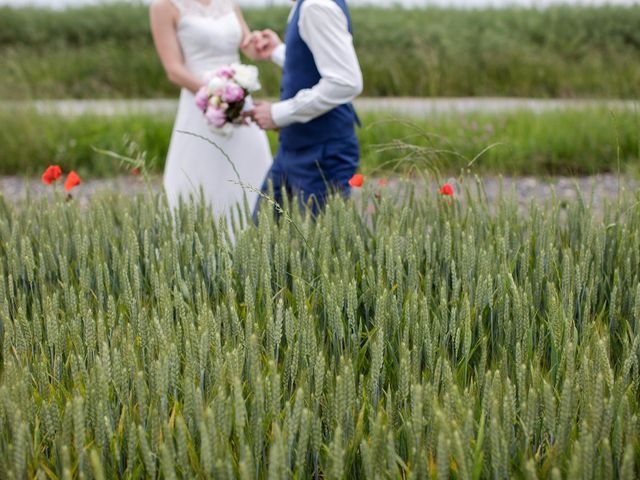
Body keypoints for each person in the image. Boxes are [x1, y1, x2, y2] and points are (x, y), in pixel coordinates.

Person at [150, 0, 272, 221]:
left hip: (239, 101)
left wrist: (259, 43)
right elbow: (173, 70)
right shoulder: (164, 6)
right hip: (201, 104)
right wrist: (217, 95)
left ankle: (257, 240)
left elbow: (249, 48)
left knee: (252, 171)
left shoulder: (229, 3)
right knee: (201, 178)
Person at [249, 0, 363, 215]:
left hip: (322, 153)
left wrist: (277, 113)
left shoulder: (315, 6)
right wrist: (277, 51)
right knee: (261, 236)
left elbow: (346, 82)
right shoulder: (305, 5)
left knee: (320, 245)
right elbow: (311, 64)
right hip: (293, 147)